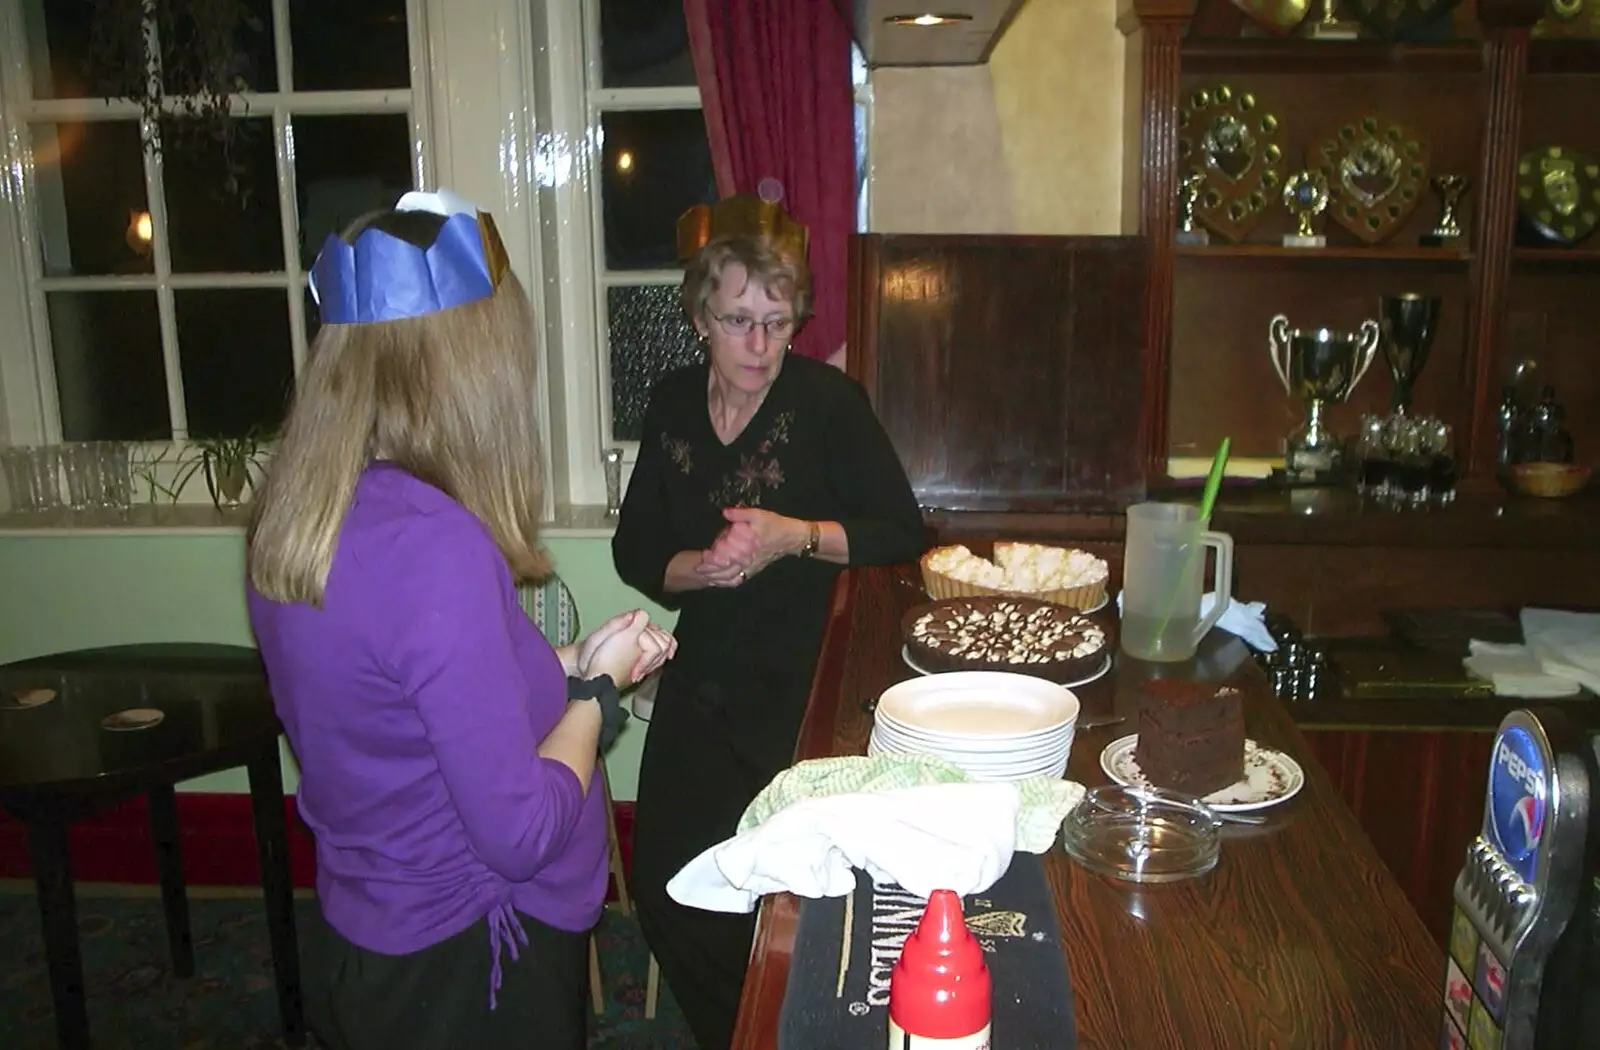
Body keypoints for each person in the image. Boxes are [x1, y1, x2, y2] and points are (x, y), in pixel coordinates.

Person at [245, 189, 675, 1050]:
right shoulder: (435, 546)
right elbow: (518, 832)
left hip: (372, 935)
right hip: (474, 968)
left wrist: (563, 657)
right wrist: (600, 691)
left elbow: (418, 700)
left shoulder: (302, 512)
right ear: (464, 369)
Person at [613, 206, 926, 1049]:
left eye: (779, 323)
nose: (760, 344)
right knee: (664, 885)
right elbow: (638, 552)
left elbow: (903, 531)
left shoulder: (829, 404)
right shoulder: (673, 401)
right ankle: (742, 1034)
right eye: (740, 321)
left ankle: (789, 1028)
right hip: (703, 673)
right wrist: (700, 568)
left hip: (803, 686)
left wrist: (796, 536)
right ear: (699, 318)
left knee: (788, 895)